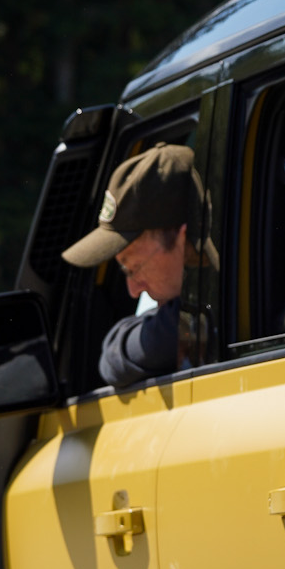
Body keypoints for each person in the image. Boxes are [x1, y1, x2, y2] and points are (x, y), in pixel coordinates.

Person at [61, 142, 214, 389]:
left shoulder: (210, 315)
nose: (133, 290)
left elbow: (120, 360)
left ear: (181, 237)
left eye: (133, 267)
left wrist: (123, 340)